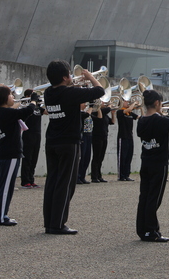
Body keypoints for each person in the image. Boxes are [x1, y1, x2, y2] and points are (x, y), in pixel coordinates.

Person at [43, 60, 104, 235]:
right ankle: (58, 224)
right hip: (68, 143)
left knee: (52, 182)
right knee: (66, 184)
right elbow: (99, 91)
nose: (72, 76)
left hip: (52, 141)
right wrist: (90, 77)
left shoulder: (48, 92)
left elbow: (68, 106)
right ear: (64, 77)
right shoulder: (69, 93)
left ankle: (49, 222)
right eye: (69, 74)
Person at [136, 90, 169, 242]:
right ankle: (151, 231)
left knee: (144, 196)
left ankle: (142, 230)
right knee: (155, 197)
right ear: (157, 103)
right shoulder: (160, 120)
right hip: (159, 162)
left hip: (145, 161)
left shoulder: (141, 120)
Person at [0, 85, 38, 225]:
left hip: (6, 152)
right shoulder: (5, 113)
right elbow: (27, 111)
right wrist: (33, 101)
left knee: (7, 186)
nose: (13, 97)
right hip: (10, 153)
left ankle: (3, 214)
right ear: (4, 98)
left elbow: (17, 113)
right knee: (5, 187)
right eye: (11, 95)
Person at [20, 89, 46, 189]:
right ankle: (25, 181)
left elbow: (47, 112)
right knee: (27, 158)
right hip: (28, 134)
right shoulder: (26, 105)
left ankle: (31, 179)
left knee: (34, 157)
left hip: (37, 134)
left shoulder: (38, 107)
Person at [90, 102, 114, 183]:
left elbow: (113, 122)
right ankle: (94, 176)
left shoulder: (106, 115)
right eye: (103, 102)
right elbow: (100, 118)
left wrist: (113, 114)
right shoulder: (95, 112)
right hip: (97, 137)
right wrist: (109, 107)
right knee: (96, 156)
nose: (106, 103)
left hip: (104, 136)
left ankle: (99, 175)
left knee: (101, 157)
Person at [117, 100, 140, 181]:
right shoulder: (119, 112)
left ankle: (127, 174)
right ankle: (121, 175)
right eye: (125, 101)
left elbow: (140, 118)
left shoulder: (130, 113)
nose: (127, 103)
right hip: (122, 137)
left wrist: (141, 109)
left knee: (129, 157)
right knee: (122, 157)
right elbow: (128, 109)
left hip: (130, 137)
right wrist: (133, 103)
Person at [77, 103, 93, 184]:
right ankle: (78, 177)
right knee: (81, 157)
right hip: (83, 135)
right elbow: (86, 115)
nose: (85, 105)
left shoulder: (87, 112)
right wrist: (91, 107)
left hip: (89, 134)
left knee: (87, 157)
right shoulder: (78, 112)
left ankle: (82, 176)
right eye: (83, 103)